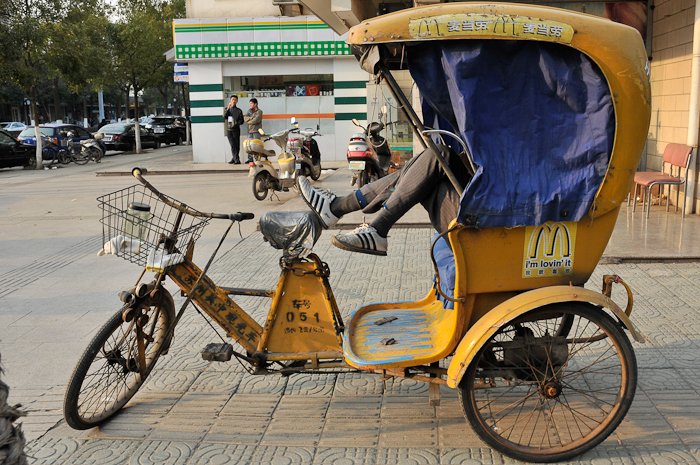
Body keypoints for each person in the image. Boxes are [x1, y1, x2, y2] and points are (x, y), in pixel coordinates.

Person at [298, 144, 469, 256]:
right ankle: (343, 210)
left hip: (480, 222)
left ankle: (342, 209)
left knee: (437, 155)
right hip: (476, 197)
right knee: (430, 162)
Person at [224, 96, 244, 164]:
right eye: (232, 100)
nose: (233, 101)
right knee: (232, 144)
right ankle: (236, 159)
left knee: (236, 145)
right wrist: (227, 109)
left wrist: (236, 123)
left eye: (235, 100)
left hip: (236, 129)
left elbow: (242, 121)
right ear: (230, 100)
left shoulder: (239, 111)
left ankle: (235, 158)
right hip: (229, 130)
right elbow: (224, 117)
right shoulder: (227, 109)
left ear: (237, 101)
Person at [244, 98, 263, 164]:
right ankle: (250, 159)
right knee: (249, 146)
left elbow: (256, 120)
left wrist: (249, 121)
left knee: (256, 145)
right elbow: (245, 118)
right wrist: (251, 118)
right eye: (250, 104)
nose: (251, 105)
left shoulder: (259, 111)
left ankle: (257, 158)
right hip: (249, 130)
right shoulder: (249, 111)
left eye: (252, 103)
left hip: (256, 131)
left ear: (256, 104)